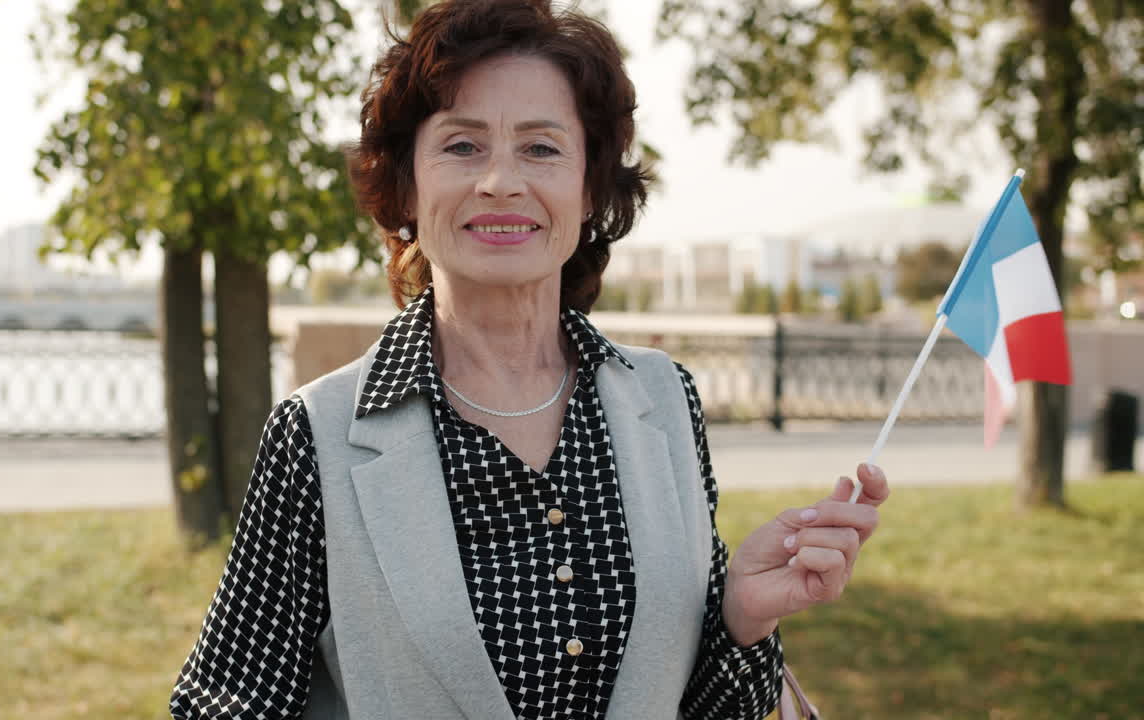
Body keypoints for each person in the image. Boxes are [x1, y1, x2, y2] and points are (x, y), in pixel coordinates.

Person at [169, 1, 887, 718]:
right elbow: (224, 702)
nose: (501, 181)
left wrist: (744, 619)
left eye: (541, 148)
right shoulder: (315, 435)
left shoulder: (666, 400)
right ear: (408, 187)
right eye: (462, 146)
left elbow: (703, 707)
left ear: (588, 187)